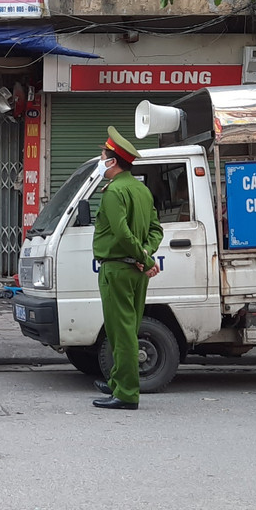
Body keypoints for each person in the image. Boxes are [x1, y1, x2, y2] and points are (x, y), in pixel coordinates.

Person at [91, 126, 164, 411]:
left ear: (112, 161)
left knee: (120, 331)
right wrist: (146, 254)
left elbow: (120, 234)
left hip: (117, 270)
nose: (100, 160)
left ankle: (126, 394)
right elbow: (156, 230)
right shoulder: (141, 190)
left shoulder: (113, 193)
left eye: (102, 156)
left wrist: (144, 259)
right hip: (135, 271)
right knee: (127, 329)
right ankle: (118, 382)